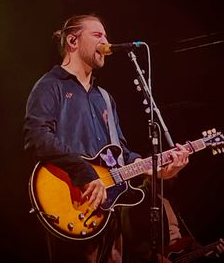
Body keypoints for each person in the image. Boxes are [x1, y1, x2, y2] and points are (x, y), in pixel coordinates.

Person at [23, 14, 190, 263]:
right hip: (72, 201)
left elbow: (119, 153)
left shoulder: (104, 97)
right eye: (97, 34)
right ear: (72, 40)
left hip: (108, 210)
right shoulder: (50, 86)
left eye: (106, 35)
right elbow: (36, 137)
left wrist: (155, 169)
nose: (106, 41)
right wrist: (84, 172)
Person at [122, 176, 224, 263]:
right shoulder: (140, 197)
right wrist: (155, 257)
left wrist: (206, 252)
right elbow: (132, 236)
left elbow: (185, 241)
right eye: (174, 171)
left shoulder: (168, 200)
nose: (176, 176)